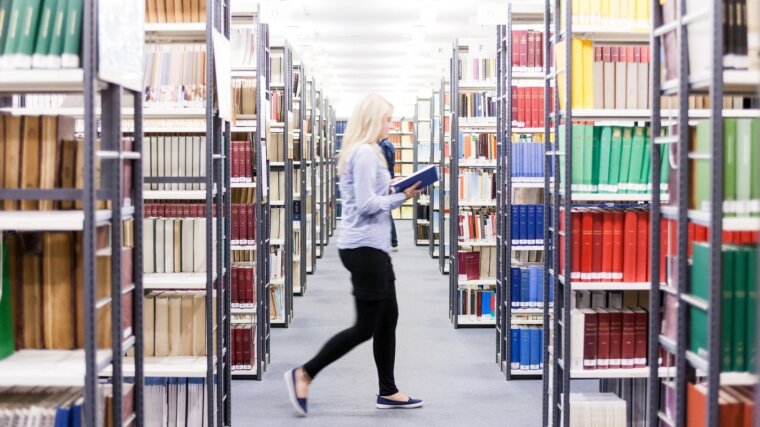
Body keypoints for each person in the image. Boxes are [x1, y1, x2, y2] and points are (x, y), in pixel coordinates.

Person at [284, 94, 424, 417]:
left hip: (373, 247)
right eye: (388, 119)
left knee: (389, 317)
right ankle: (304, 373)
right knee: (365, 326)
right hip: (363, 248)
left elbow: (374, 195)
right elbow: (365, 204)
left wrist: (397, 189)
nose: (392, 124)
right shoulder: (363, 153)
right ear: (373, 119)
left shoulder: (370, 152)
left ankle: (388, 391)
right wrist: (402, 195)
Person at [377, 137, 399, 250]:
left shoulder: (384, 145)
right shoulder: (385, 144)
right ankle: (391, 241)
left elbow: (386, 165)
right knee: (386, 211)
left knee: (386, 210)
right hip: (387, 180)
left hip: (386, 181)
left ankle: (393, 242)